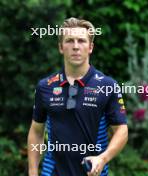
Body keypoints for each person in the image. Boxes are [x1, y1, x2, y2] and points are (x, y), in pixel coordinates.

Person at [27, 17, 128, 176]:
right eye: (69, 41)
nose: (75, 46)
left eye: (81, 41)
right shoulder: (45, 87)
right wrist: (32, 172)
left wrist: (102, 158)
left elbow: (122, 130)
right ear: (61, 47)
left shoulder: (107, 86)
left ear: (90, 47)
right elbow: (36, 131)